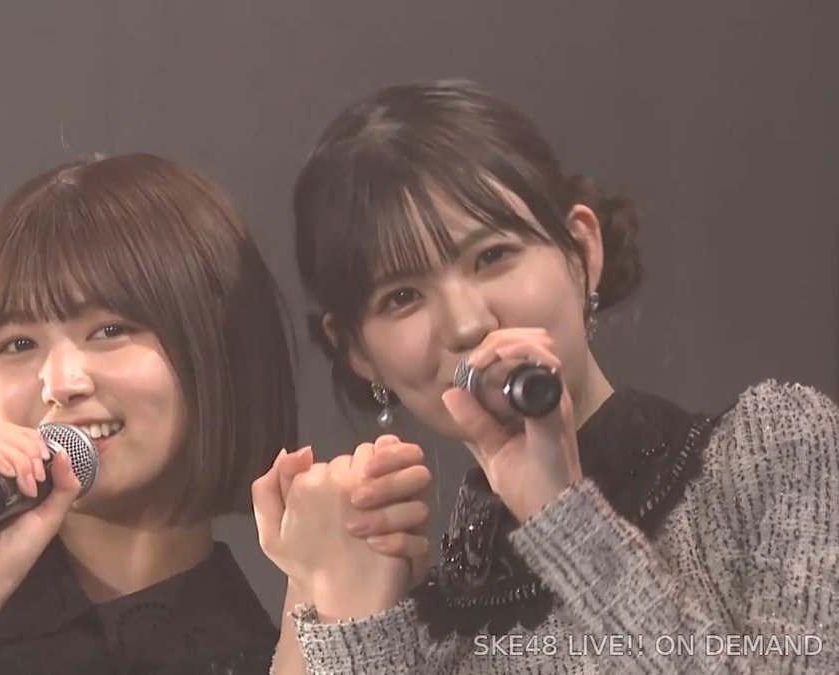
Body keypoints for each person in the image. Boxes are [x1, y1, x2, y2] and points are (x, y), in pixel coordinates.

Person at [254, 79, 839, 673]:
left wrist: (565, 518)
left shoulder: (775, 449)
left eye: (492, 256)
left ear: (582, 252)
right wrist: (351, 624)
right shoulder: (409, 620)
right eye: (402, 296)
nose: (468, 323)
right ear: (357, 350)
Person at [0, 152, 386, 674]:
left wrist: (323, 603)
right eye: (17, 344)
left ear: (219, 353)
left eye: (110, 330)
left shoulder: (287, 650)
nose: (60, 383)